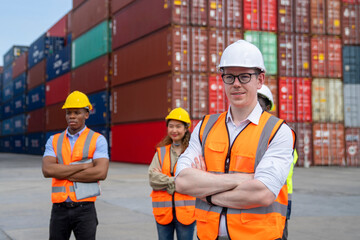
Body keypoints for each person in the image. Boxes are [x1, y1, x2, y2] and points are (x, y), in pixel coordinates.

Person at [174, 40, 296, 240]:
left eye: (244, 76)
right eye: (229, 76)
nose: (236, 83)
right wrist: (243, 179)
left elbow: (262, 193)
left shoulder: (278, 132)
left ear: (260, 80)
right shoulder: (205, 127)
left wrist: (208, 193)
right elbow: (182, 182)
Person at [42, 91, 109, 240]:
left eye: (77, 112)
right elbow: (47, 170)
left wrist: (61, 171)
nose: (72, 116)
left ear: (86, 114)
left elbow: (100, 173)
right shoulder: (54, 140)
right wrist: (84, 166)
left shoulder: (98, 140)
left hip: (85, 209)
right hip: (59, 209)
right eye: (68, 112)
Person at [258, 85, 299, 240]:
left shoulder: (281, 134)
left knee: (278, 233)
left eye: (259, 105)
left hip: (281, 195)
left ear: (268, 107)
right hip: (256, 196)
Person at [148, 107, 196, 240]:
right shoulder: (161, 152)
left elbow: (196, 180)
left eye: (178, 126)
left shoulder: (193, 152)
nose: (174, 130)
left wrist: (166, 181)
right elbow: (153, 178)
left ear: (186, 128)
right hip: (163, 212)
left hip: (186, 213)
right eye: (171, 126)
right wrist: (176, 182)